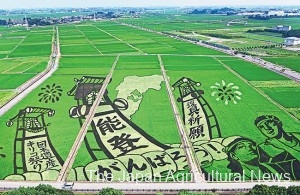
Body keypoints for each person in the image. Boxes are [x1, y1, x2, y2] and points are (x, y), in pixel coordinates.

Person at [255, 115, 300, 180]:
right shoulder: (265, 148)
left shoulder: (297, 136)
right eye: (261, 127)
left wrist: (282, 146)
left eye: (268, 123)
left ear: (279, 123)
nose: (267, 128)